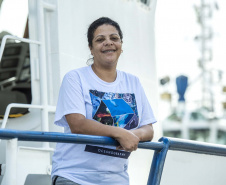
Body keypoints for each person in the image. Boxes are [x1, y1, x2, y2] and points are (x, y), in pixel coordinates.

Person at [51, 17, 156, 185]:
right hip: (75, 177)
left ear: (121, 45)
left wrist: (132, 135)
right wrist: (120, 133)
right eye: (100, 40)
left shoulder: (133, 82)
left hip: (116, 179)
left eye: (114, 38)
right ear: (91, 49)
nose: (108, 43)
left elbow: (148, 129)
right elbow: (77, 124)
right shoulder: (75, 78)